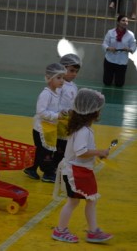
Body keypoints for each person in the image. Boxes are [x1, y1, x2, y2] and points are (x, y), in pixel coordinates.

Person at [52, 88, 113, 244]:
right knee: (74, 201)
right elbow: (81, 152)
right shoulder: (84, 131)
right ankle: (60, 230)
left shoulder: (81, 128)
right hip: (76, 171)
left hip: (80, 170)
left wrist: (96, 154)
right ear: (93, 112)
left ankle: (93, 231)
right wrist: (98, 151)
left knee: (89, 200)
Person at [24, 63, 67, 183]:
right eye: (58, 78)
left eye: (63, 78)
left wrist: (60, 113)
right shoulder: (46, 94)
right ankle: (47, 173)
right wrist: (56, 115)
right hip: (41, 129)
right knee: (46, 152)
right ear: (49, 78)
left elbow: (53, 109)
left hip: (49, 127)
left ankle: (31, 168)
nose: (62, 81)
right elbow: (41, 111)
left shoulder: (56, 93)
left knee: (40, 150)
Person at [54, 54, 82, 169]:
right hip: (59, 120)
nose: (74, 74)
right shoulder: (59, 85)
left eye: (76, 71)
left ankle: (59, 165)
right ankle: (54, 166)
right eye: (71, 70)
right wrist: (66, 111)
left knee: (65, 145)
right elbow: (55, 102)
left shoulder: (74, 86)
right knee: (58, 145)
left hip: (68, 121)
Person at [102, 15, 136, 87]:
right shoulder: (110, 32)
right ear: (118, 22)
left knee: (119, 84)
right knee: (107, 82)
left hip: (122, 62)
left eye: (127, 21)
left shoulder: (130, 35)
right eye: (123, 20)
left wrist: (129, 49)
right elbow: (104, 44)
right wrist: (109, 48)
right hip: (110, 60)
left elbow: (134, 47)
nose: (125, 22)